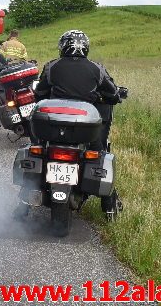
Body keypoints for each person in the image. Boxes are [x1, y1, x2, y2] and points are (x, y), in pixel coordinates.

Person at [34, 29, 123, 214]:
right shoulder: (96, 69)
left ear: (62, 47)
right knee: (99, 154)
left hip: (53, 128)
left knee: (37, 148)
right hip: (84, 129)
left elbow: (39, 92)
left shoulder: (52, 67)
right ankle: (109, 204)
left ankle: (23, 203)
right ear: (86, 48)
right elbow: (113, 94)